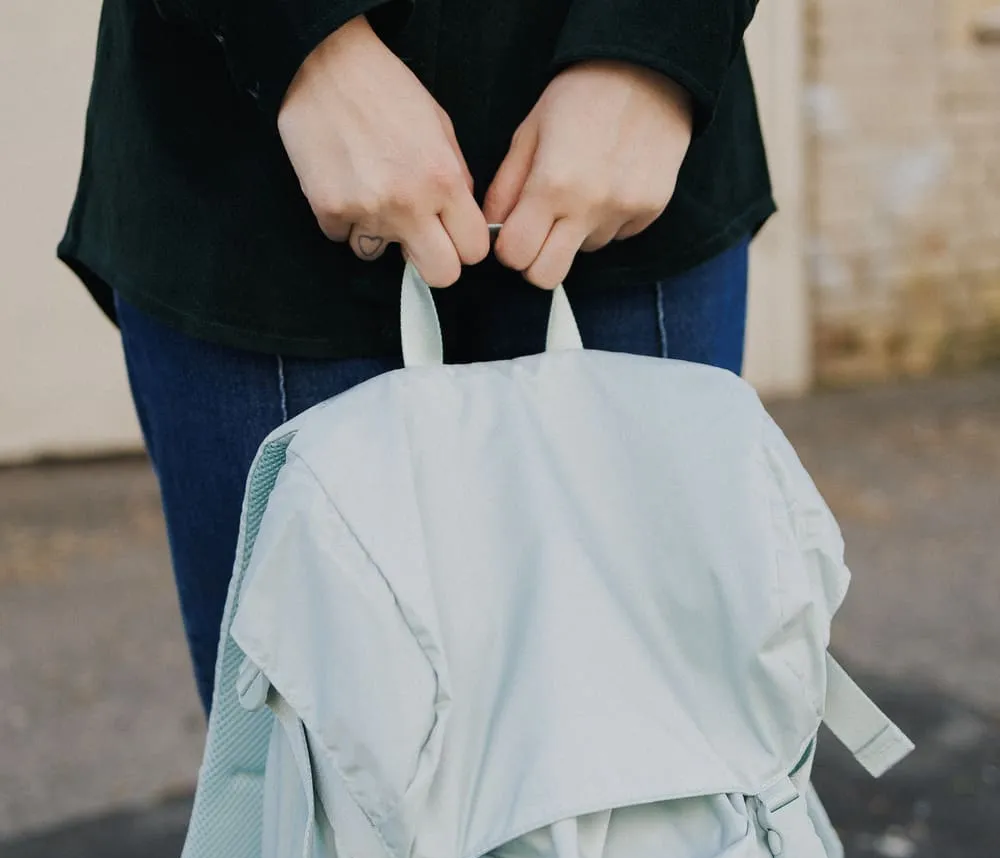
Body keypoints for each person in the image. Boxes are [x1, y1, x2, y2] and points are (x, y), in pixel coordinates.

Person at [59, 0, 773, 713]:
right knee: (323, 753)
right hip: (260, 163)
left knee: (660, 740)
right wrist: (309, 46)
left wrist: (657, 40)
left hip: (621, 163)